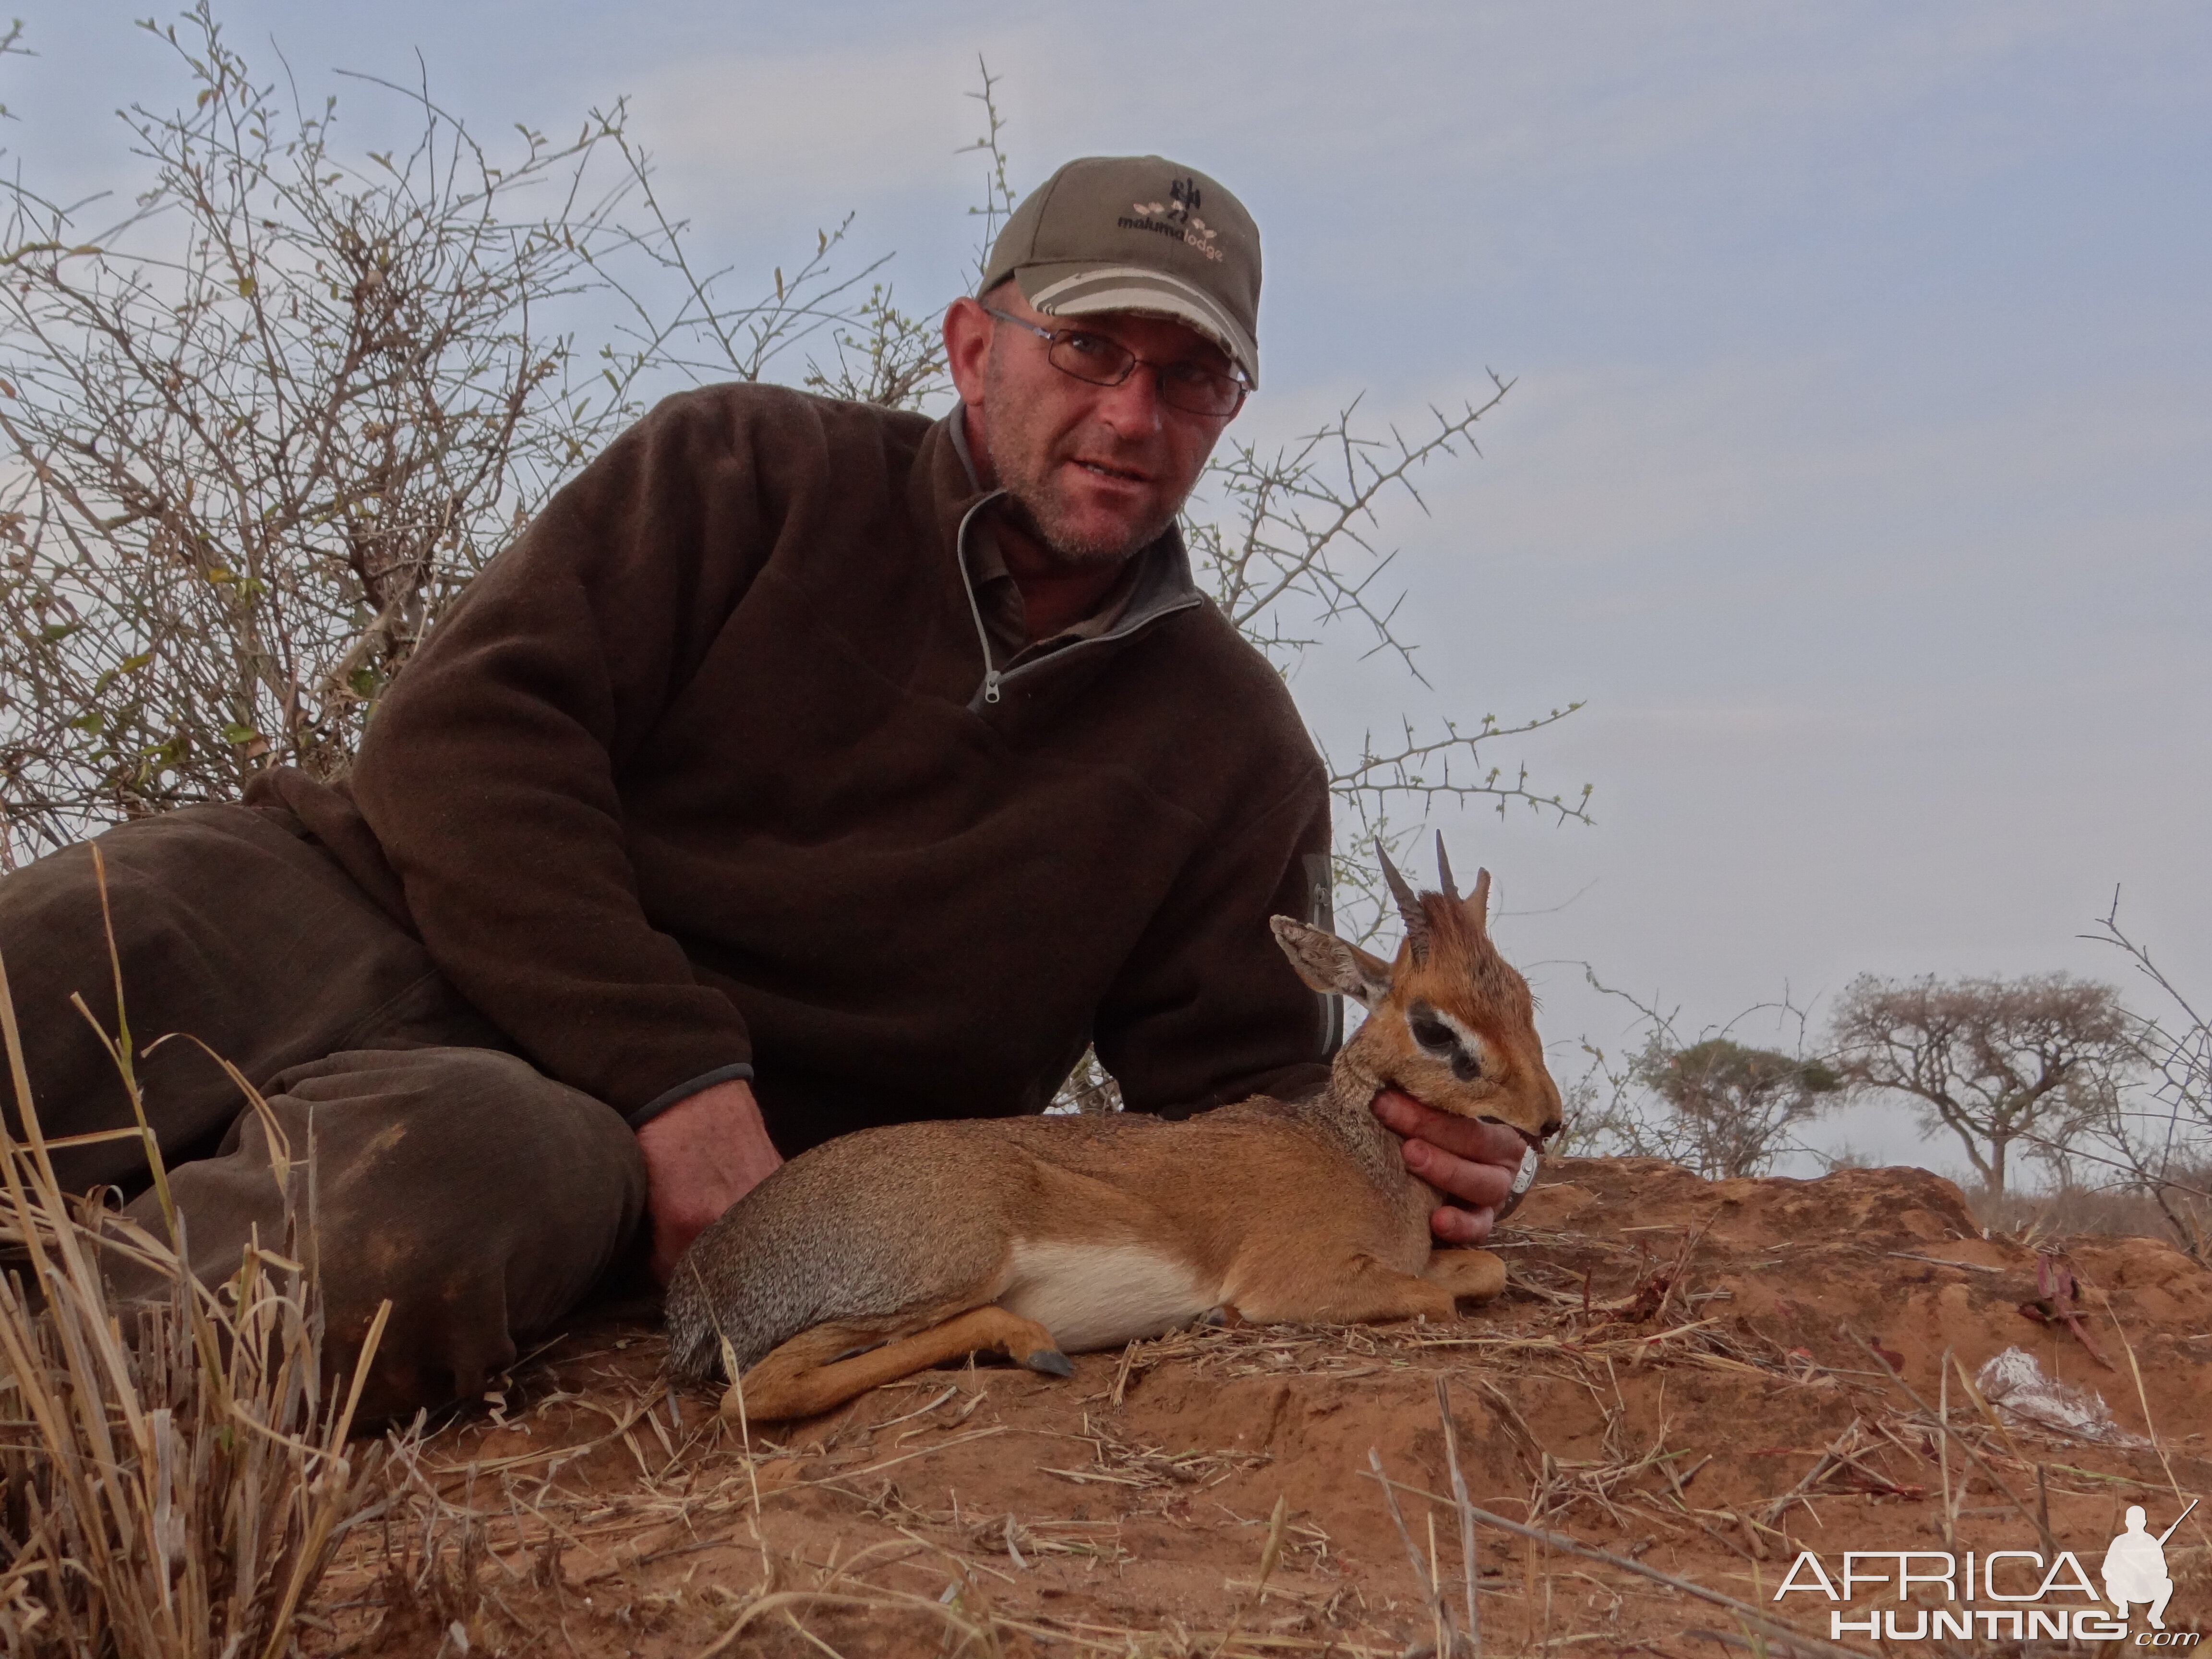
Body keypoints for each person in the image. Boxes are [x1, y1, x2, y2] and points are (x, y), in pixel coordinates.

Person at [0, 155, 1528, 1417]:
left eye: (1190, 379)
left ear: (1230, 415)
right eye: (1090, 351)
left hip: (556, 1123)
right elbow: (462, 740)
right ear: (972, 346)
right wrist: (683, 1078)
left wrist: (1407, 1157)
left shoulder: (1234, 753)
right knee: (82, 942)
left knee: (430, 1206)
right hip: (343, 910)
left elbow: (1234, 1115)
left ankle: (45, 1417)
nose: (1134, 417)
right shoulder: (741, 467)